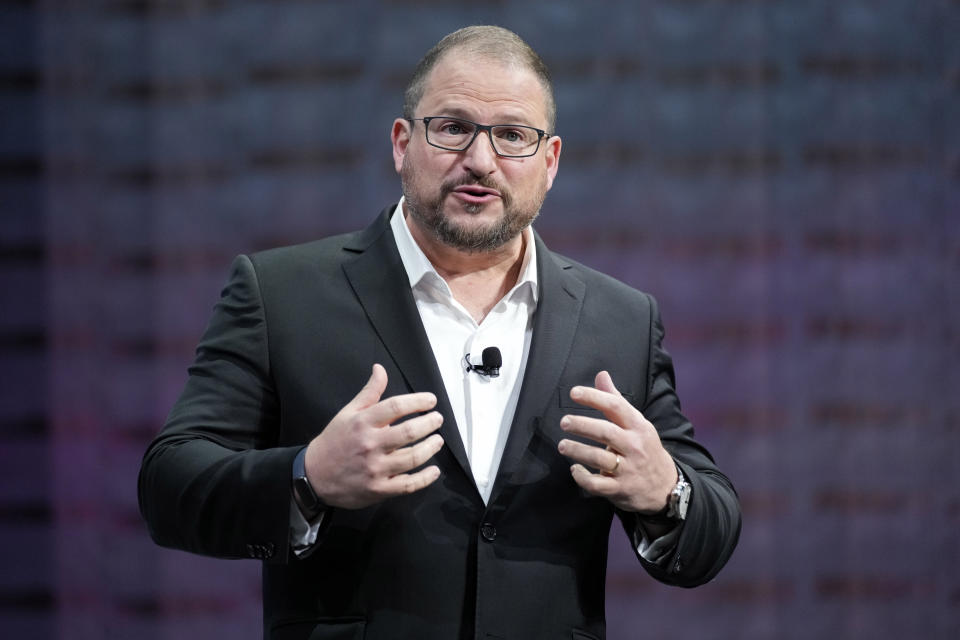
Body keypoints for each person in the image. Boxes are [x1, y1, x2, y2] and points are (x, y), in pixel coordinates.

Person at [138, 25, 740, 640]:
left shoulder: (622, 320)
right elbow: (170, 486)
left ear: (550, 161)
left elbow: (713, 523)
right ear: (403, 143)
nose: (480, 160)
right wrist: (308, 476)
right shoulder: (281, 294)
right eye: (452, 128)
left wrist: (666, 490)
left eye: (512, 136)